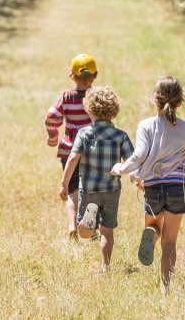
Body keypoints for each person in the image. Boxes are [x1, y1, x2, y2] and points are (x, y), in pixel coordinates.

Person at [111, 76, 185, 292]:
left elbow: (139, 156)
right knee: (170, 243)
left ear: (154, 100)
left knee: (153, 225)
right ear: (180, 102)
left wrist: (120, 169)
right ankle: (165, 287)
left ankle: (151, 235)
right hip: (178, 188)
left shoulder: (146, 125)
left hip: (153, 187)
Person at [58, 86, 133, 272]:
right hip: (112, 190)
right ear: (114, 111)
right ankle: (105, 266)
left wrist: (64, 183)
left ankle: (85, 223)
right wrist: (137, 179)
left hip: (89, 189)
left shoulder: (84, 133)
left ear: (89, 110)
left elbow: (73, 157)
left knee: (85, 233)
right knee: (107, 230)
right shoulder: (120, 135)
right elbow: (132, 161)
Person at [46, 53, 98, 239]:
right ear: (95, 75)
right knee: (91, 189)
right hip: (93, 151)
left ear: (72, 76)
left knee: (71, 190)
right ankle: (91, 229)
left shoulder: (66, 96)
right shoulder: (96, 97)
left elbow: (51, 117)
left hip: (69, 151)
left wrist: (53, 137)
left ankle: (72, 225)